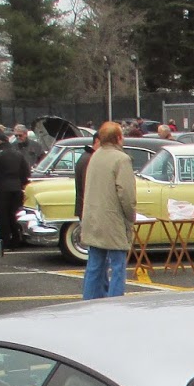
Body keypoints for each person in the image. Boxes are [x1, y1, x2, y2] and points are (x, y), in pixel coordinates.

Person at [81, 122, 136, 299]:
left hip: (93, 218)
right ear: (118, 138)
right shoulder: (121, 159)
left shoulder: (95, 156)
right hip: (113, 220)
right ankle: (114, 304)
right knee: (118, 266)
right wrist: (131, 216)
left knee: (95, 265)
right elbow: (126, 194)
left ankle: (89, 301)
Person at [0, 130, 32, 245]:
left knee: (3, 215)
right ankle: (17, 238)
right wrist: (21, 183)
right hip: (17, 187)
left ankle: (6, 240)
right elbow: (26, 172)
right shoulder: (18, 153)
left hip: (3, 188)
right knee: (15, 213)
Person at [73, 138, 99, 221]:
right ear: (97, 141)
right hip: (89, 210)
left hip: (86, 208)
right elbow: (87, 186)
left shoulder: (86, 156)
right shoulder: (90, 159)